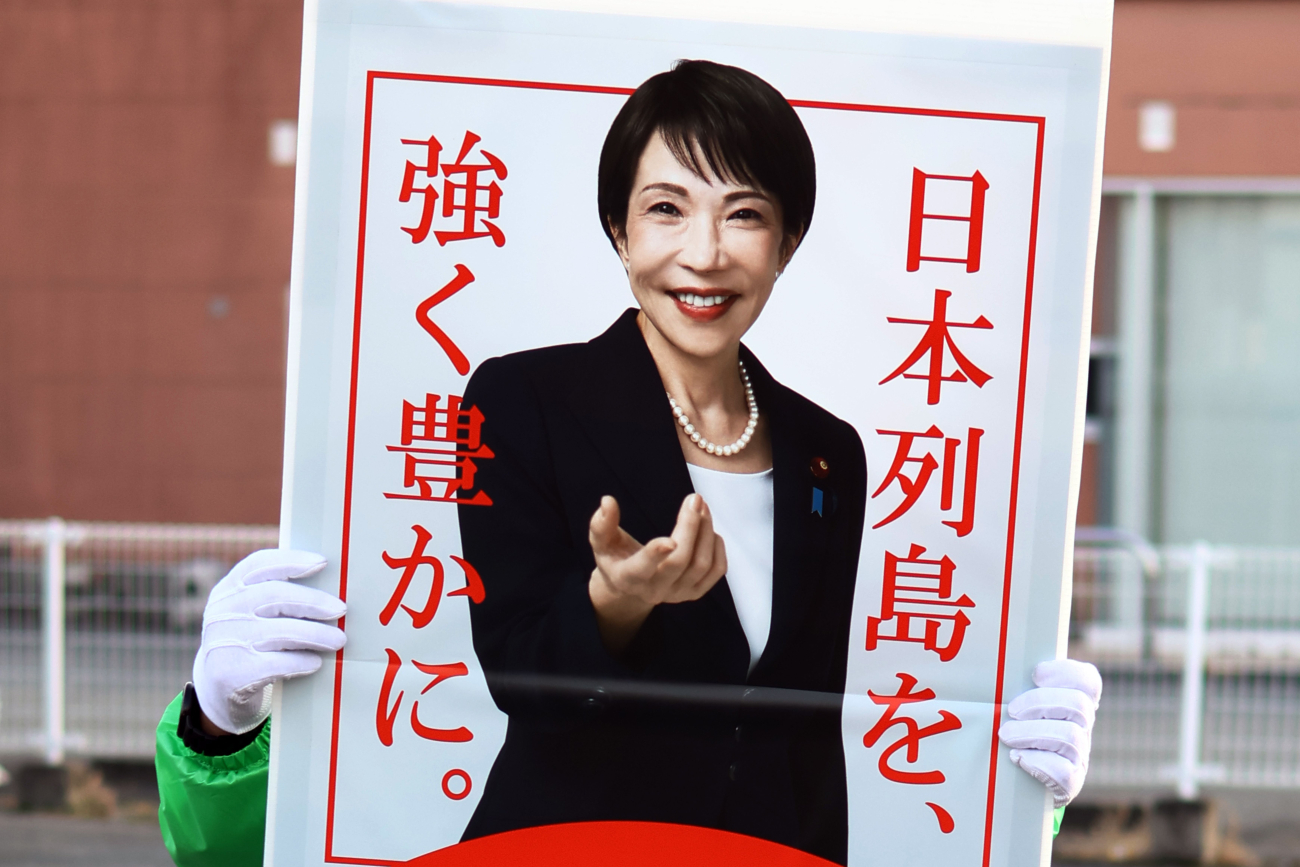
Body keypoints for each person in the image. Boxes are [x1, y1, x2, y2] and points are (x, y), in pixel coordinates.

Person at [155, 61, 1101, 866]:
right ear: (618, 230)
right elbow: (518, 676)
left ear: (788, 242)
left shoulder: (829, 451)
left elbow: (805, 732)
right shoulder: (523, 401)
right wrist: (619, 600)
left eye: (745, 214)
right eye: (665, 209)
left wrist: (1017, 791)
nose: (703, 253)